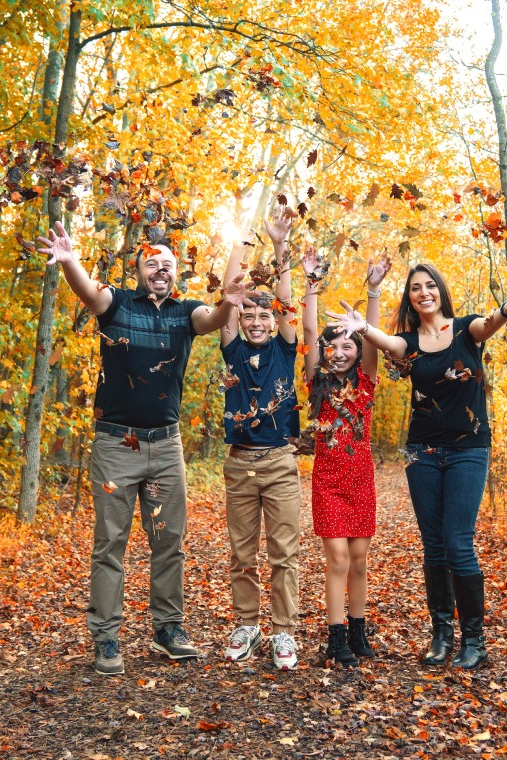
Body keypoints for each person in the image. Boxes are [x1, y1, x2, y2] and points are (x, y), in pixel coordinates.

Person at [38, 221, 253, 676]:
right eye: (151, 263)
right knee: (110, 544)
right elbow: (88, 295)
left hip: (166, 447)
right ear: (137, 269)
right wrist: (70, 259)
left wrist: (228, 303)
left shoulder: (186, 311)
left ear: (177, 274)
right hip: (117, 444)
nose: (160, 269)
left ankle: (168, 628)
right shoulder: (116, 303)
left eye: (168, 265)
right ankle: (108, 636)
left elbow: (213, 321)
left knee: (169, 542)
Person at [329, 263, 507, 669]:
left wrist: (506, 310)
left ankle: (474, 641)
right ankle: (442, 635)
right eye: (415, 288)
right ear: (409, 297)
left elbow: (487, 324)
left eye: (430, 285)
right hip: (422, 452)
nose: (423, 292)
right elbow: (383, 342)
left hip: (468, 450)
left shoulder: (465, 329)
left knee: (458, 542)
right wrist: (361, 326)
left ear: (440, 291)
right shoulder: (407, 342)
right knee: (433, 544)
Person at [218, 205, 303, 671]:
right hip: (239, 463)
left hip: (279, 462)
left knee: (284, 551)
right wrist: (238, 241)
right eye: (248, 313)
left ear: (273, 322)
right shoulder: (231, 350)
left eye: (262, 316)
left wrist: (279, 245)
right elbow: (229, 299)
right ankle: (247, 624)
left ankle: (284, 633)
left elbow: (288, 302)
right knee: (242, 552)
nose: (254, 320)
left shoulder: (284, 350)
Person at [303, 247, 391, 668]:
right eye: (332, 346)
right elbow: (307, 331)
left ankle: (358, 630)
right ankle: (335, 636)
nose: (340, 352)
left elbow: (371, 338)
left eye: (347, 346)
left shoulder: (367, 384)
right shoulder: (316, 383)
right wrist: (312, 286)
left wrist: (373, 292)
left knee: (359, 560)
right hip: (327, 481)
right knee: (336, 559)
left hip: (361, 479)